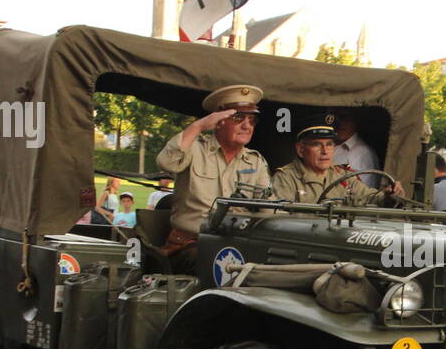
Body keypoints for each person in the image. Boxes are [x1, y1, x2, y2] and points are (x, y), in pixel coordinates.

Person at [156, 84, 271, 270]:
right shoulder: (194, 149)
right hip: (191, 245)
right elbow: (166, 163)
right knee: (215, 266)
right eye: (238, 117)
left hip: (238, 245)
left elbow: (267, 208)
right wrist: (199, 126)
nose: (247, 125)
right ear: (219, 120)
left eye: (252, 120)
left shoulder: (255, 162)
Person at [272, 116, 403, 206]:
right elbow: (279, 222)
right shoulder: (286, 178)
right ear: (301, 149)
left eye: (329, 144)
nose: (325, 151)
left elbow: (370, 198)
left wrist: (388, 195)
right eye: (317, 145)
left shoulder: (342, 176)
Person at [331, 111, 380, 187]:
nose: (340, 123)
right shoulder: (330, 146)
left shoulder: (362, 153)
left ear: (355, 121)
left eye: (346, 118)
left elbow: (364, 194)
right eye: (336, 118)